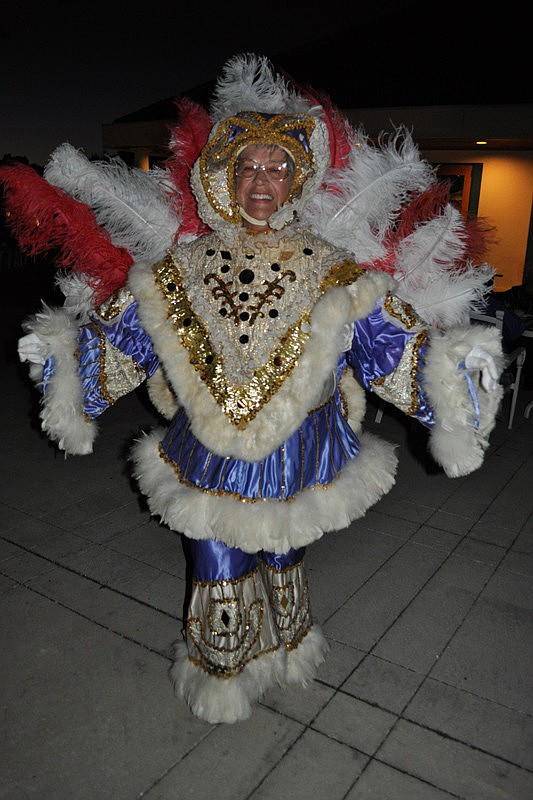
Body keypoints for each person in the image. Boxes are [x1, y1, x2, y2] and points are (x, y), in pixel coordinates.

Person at [3, 54, 503, 724]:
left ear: (296, 180)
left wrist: (454, 376)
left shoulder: (333, 269)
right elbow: (124, 339)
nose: (261, 181)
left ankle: (288, 647)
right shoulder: (180, 267)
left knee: (285, 551)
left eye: (276, 168)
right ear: (223, 178)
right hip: (210, 448)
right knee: (216, 557)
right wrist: (63, 358)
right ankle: (222, 673)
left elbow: (390, 348)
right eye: (248, 167)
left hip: (302, 444)